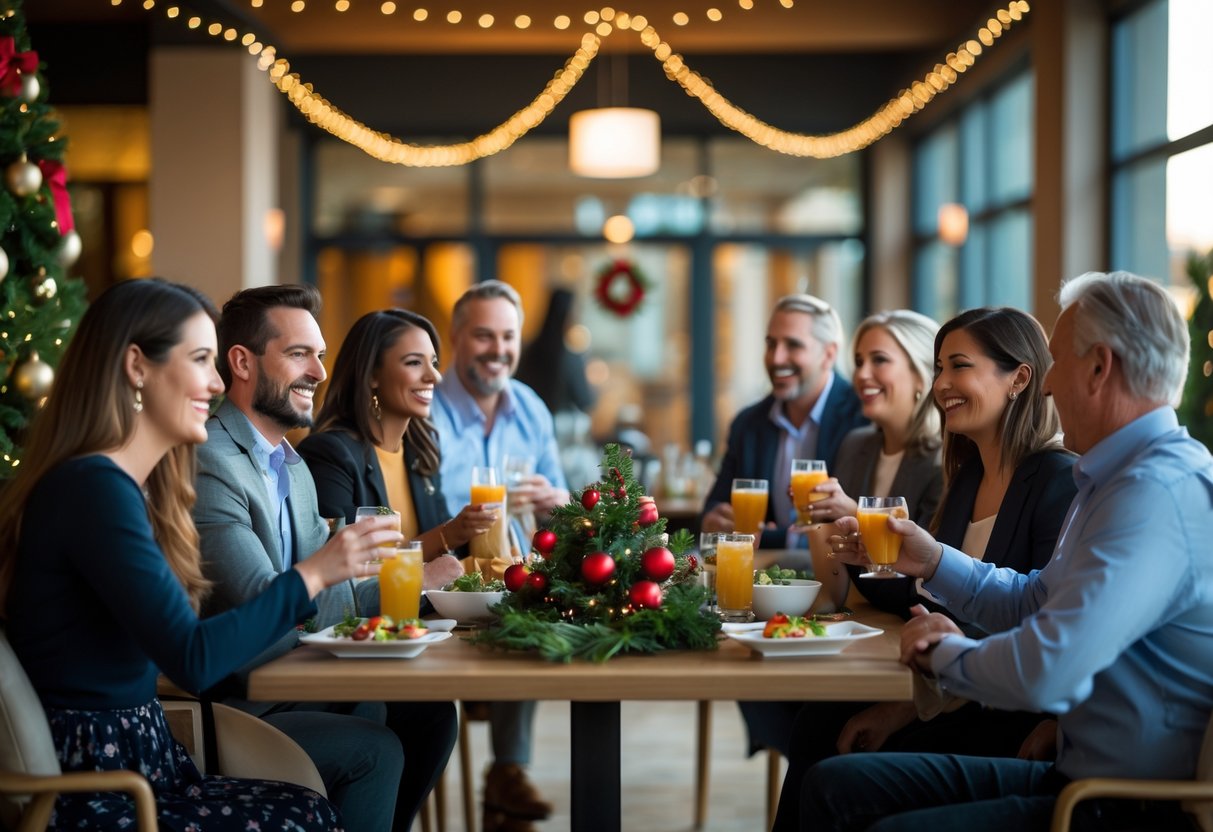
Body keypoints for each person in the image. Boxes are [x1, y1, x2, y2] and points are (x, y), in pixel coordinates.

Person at [801, 271, 1213, 831]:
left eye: (1057, 361)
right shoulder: (1116, 481)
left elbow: (1049, 670)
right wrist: (932, 560)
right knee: (831, 784)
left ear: (1099, 368)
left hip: (1119, 804)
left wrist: (943, 656)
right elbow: (1035, 599)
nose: (1046, 386)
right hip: (1072, 776)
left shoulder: (1153, 494)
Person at [0, 278, 397, 831]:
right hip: (102, 786)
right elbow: (195, 659)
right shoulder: (94, 490)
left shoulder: (116, 486)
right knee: (312, 806)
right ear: (137, 367)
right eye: (202, 360)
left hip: (140, 760)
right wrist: (311, 575)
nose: (216, 384)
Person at [773, 306, 1077, 830]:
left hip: (1006, 711)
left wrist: (905, 710)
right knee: (817, 721)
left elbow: (1048, 622)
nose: (942, 384)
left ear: (1020, 378)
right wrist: (875, 557)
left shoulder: (1057, 480)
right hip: (954, 687)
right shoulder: (966, 477)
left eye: (958, 366)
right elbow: (935, 602)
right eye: (938, 368)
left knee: (831, 745)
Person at [194, 284, 457, 832]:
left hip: (291, 683)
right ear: (241, 362)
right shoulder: (213, 461)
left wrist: (424, 585)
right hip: (235, 703)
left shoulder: (290, 465)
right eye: (298, 354)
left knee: (427, 715)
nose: (317, 371)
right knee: (375, 745)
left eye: (320, 355)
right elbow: (260, 598)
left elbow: (332, 597)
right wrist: (333, 572)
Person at [740, 309, 945, 769]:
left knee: (817, 722)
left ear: (920, 374)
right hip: (865, 636)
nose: (862, 375)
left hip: (910, 652)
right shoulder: (857, 446)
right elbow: (835, 590)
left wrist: (853, 511)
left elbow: (921, 578)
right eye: (859, 360)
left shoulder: (943, 461)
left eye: (879, 360)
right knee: (774, 690)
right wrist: (819, 524)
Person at [430, 279, 568, 832]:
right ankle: (499, 754)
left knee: (534, 599)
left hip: (514, 571)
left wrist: (553, 499)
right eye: (483, 335)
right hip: (447, 572)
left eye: (507, 336)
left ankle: (508, 767)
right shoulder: (429, 411)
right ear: (457, 338)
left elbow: (560, 505)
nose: (498, 349)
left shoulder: (530, 409)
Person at [297, 308, 495, 578]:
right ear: (371, 376)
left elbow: (448, 560)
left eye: (433, 363)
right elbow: (346, 569)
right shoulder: (330, 454)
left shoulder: (420, 452)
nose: (434, 376)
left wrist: (474, 532)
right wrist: (447, 534)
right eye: (414, 363)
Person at [701, 293, 867, 548]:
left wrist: (774, 538)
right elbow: (715, 505)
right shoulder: (748, 423)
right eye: (771, 344)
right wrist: (715, 520)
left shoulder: (862, 416)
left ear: (829, 354)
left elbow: (870, 514)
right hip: (768, 576)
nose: (776, 358)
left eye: (793, 345)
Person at [515, 287, 598, 418]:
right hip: (559, 431)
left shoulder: (527, 351)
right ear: (568, 315)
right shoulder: (570, 359)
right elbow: (585, 400)